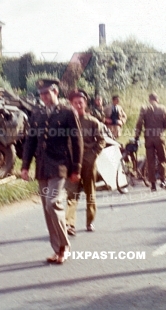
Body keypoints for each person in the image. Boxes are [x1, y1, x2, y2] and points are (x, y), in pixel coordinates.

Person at [21, 78, 83, 264]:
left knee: (52, 203)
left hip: (60, 165)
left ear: (56, 92)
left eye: (47, 93)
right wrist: (25, 166)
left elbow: (77, 141)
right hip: (42, 166)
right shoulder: (37, 113)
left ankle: (64, 247)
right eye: (41, 94)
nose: (44, 97)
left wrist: (76, 168)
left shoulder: (67, 112)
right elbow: (30, 141)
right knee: (47, 210)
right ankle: (57, 250)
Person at [65, 89, 106, 235]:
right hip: (72, 163)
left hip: (89, 162)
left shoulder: (93, 122)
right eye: (75, 103)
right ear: (71, 104)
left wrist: (93, 155)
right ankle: (70, 224)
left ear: (85, 103)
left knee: (90, 193)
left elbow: (101, 141)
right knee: (72, 193)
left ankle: (90, 221)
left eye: (80, 103)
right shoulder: (66, 122)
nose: (78, 105)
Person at [134, 92, 166, 192]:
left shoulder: (144, 108)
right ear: (157, 99)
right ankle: (163, 180)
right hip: (160, 137)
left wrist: (136, 136)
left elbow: (139, 123)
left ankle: (153, 184)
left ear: (149, 100)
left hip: (148, 138)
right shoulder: (163, 108)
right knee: (163, 159)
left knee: (150, 161)